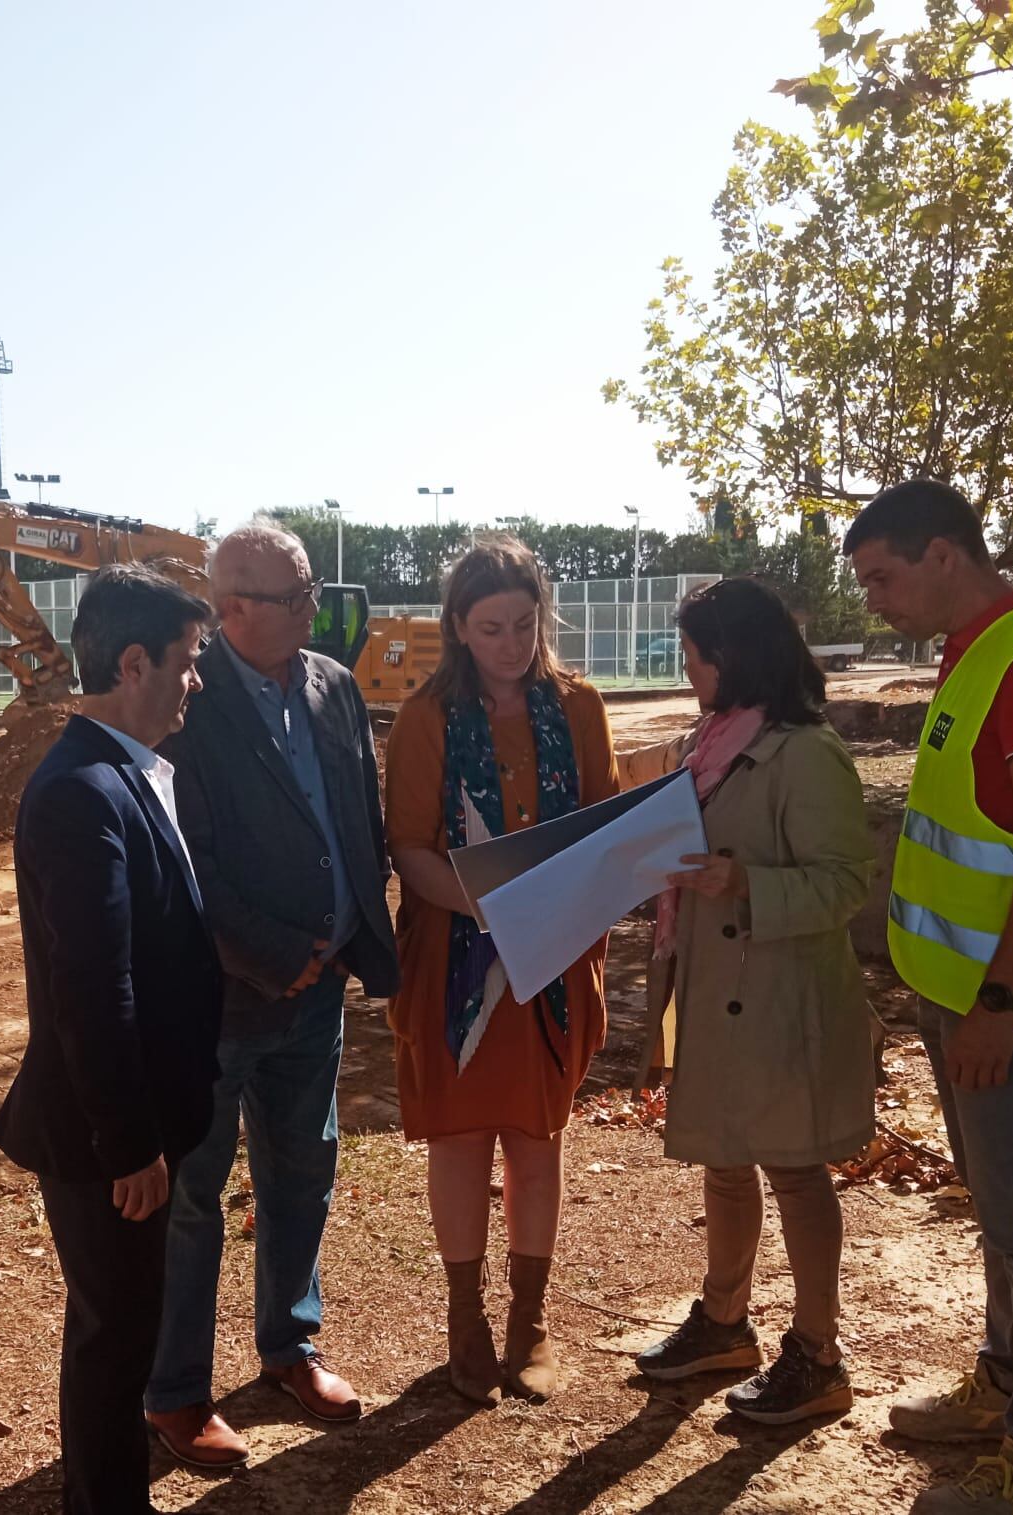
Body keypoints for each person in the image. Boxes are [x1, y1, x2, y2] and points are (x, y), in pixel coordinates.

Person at [846, 479, 1013, 1515]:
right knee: (1002, 1217)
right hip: (963, 997)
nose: (872, 601)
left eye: (881, 577)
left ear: (943, 556)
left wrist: (999, 1000)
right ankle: (1003, 1393)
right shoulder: (976, 651)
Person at [143, 524, 399, 1465]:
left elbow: (355, 817)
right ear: (231, 608)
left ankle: (289, 1344)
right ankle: (174, 1390)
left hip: (317, 990)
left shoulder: (332, 685)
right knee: (193, 1196)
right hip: (220, 999)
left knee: (304, 1168)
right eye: (293, 599)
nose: (311, 612)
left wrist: (353, 939)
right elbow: (184, 857)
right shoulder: (186, 702)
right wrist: (267, 953)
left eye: (309, 595)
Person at [0, 564, 223, 1515]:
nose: (195, 680)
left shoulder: (124, 771)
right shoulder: (82, 789)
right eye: (188, 661)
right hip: (103, 1135)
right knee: (113, 1333)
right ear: (134, 664)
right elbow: (93, 986)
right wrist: (129, 1142)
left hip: (129, 1121)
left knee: (124, 1323)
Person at [618, 577, 875, 1424]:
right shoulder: (712, 740)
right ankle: (725, 1320)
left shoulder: (804, 751)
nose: (687, 665)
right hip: (714, 986)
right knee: (725, 1159)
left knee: (793, 1169)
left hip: (778, 994)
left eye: (696, 651)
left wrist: (746, 883)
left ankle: (817, 1352)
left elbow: (845, 884)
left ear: (734, 656)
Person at [382, 534, 618, 1407]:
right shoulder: (425, 718)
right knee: (458, 1139)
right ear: (457, 627)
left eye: (524, 623)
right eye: (491, 627)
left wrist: (552, 914)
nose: (512, 642)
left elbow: (602, 827)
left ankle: (529, 1319)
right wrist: (493, 908)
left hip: (554, 960)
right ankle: (464, 1320)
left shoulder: (581, 706)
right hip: (456, 967)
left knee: (534, 1139)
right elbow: (407, 846)